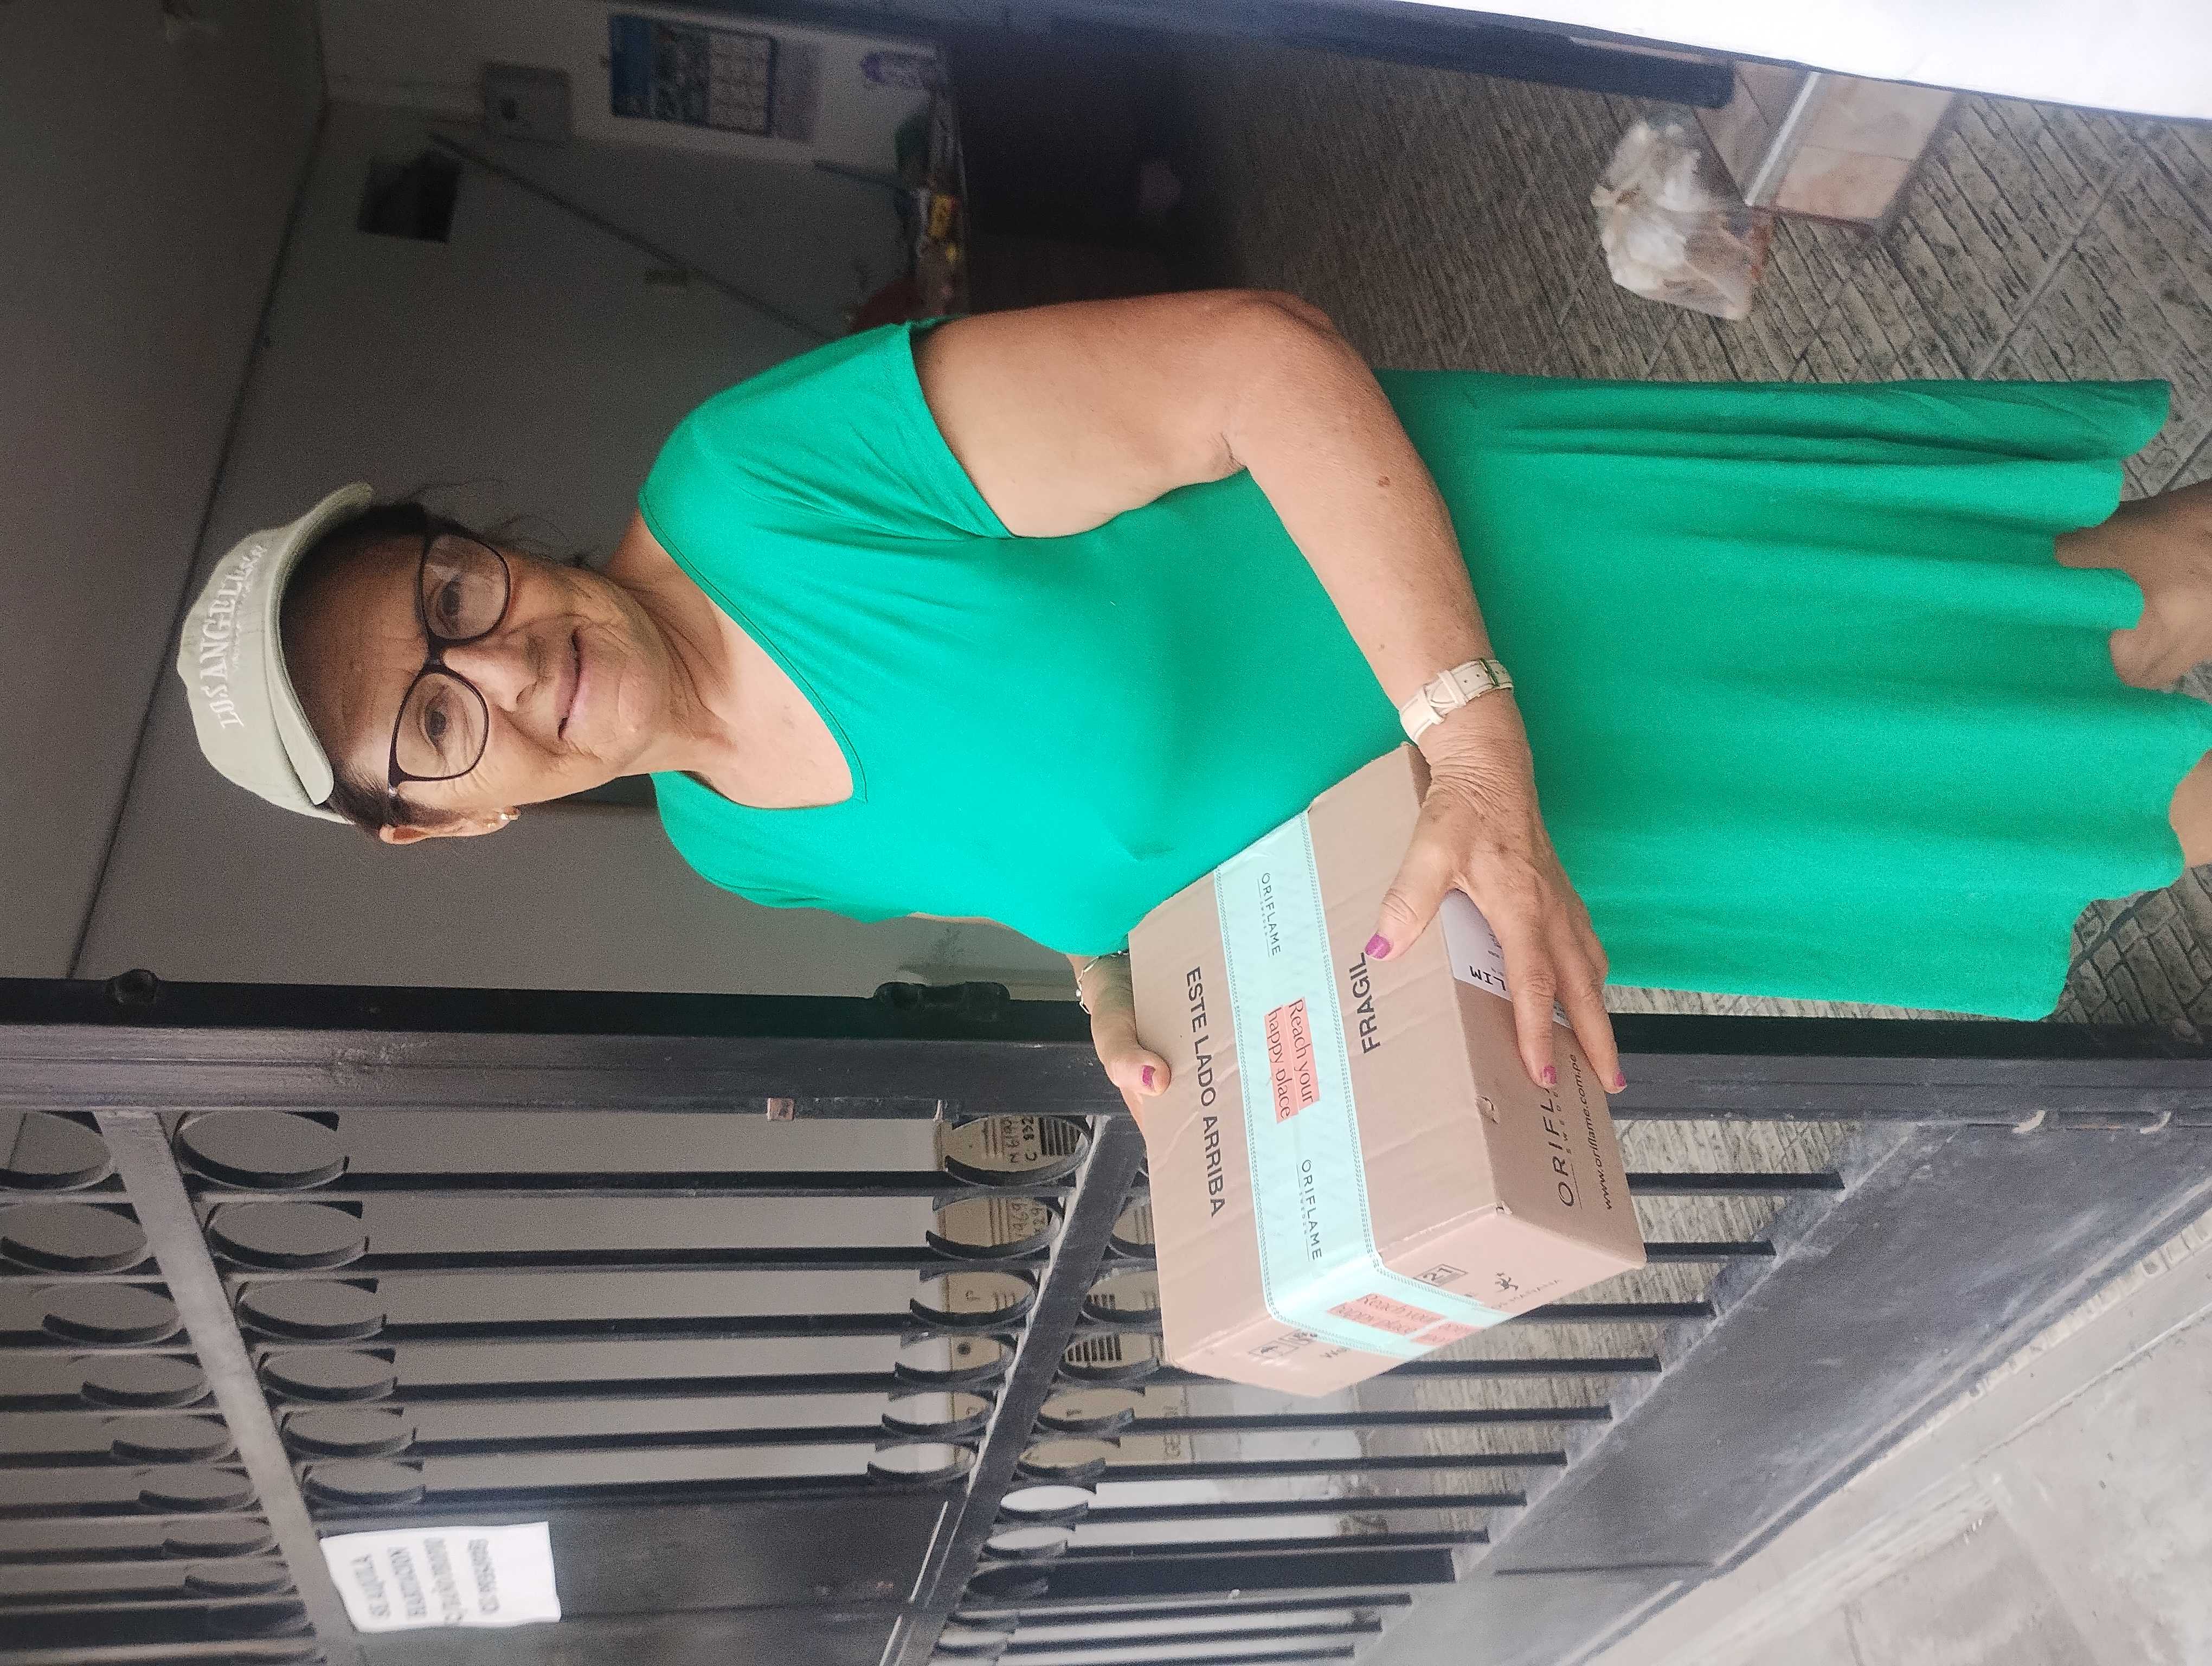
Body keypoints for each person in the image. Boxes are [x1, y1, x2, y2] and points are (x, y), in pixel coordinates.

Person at [178, 291, 2212, 1108]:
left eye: (447, 596)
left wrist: (1472, 742)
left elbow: (1259, 363)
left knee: (2077, 645)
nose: (501, 664)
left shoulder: (757, 486)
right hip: (1522, 823)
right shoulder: (732, 844)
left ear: (470, 541)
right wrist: (1113, 983)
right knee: (2066, 784)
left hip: (1538, 616)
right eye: (431, 721)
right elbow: (1048, 836)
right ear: (444, 824)